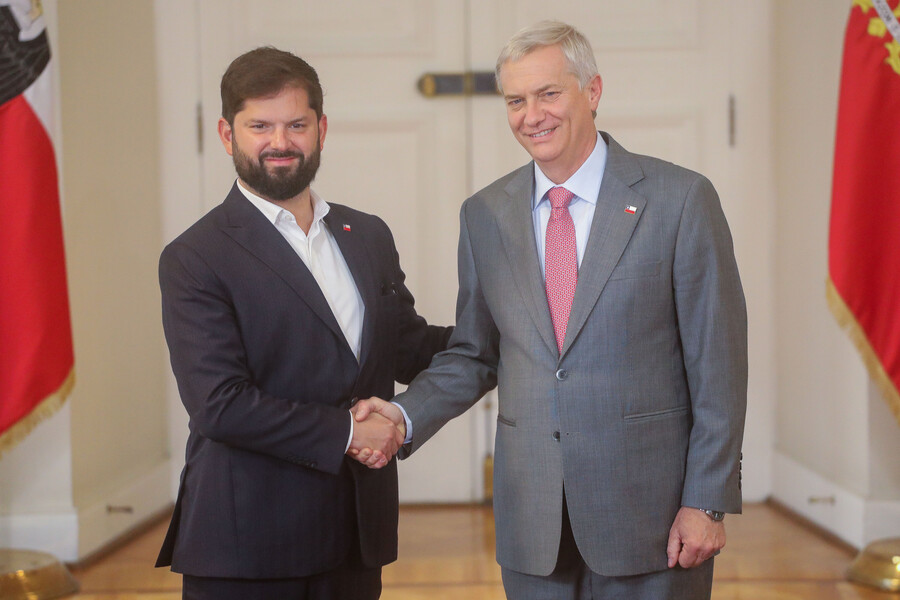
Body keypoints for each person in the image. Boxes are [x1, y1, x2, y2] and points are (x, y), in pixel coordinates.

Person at [353, 21, 747, 599]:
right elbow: (474, 354)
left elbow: (719, 364)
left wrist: (706, 499)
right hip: (532, 525)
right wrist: (402, 417)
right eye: (516, 100)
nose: (531, 114)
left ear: (592, 91)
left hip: (653, 521)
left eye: (548, 94)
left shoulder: (680, 200)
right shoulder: (485, 214)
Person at [155, 46, 452, 600]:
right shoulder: (194, 257)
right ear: (227, 134)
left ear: (321, 129)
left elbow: (406, 347)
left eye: (296, 124)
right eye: (259, 126)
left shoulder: (367, 235)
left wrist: (516, 333)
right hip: (246, 546)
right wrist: (349, 432)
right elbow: (220, 403)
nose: (280, 142)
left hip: (355, 536)